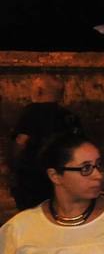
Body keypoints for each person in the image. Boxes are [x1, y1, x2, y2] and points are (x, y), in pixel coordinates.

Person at [8, 73, 84, 210]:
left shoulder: (30, 113)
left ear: (39, 91)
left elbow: (21, 142)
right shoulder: (69, 117)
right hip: (60, 176)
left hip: (32, 176)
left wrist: (12, 167)